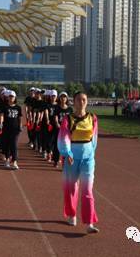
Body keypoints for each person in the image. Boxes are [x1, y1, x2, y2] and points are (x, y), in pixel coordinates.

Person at [58, 91, 99, 234]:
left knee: (87, 190)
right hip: (71, 157)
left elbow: (94, 138)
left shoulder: (93, 118)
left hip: (88, 157)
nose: (81, 102)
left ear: (87, 102)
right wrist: (67, 152)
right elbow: (63, 137)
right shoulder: (67, 119)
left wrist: (91, 153)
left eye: (84, 99)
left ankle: (89, 223)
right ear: (73, 102)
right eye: (78, 100)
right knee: (71, 188)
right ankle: (71, 214)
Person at [0, 90, 22, 170]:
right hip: (6, 128)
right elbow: (1, 115)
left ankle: (15, 161)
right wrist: (1, 122)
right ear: (8, 98)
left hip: (15, 129)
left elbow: (19, 118)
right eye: (10, 96)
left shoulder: (18, 107)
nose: (11, 98)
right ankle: (7, 160)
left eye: (12, 96)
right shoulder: (5, 107)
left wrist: (20, 125)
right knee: (7, 145)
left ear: (15, 97)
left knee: (14, 145)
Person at [53, 92, 72, 168]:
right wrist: (57, 123)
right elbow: (55, 117)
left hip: (67, 130)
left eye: (64, 97)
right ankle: (56, 160)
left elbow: (72, 119)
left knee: (66, 146)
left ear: (67, 98)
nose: (63, 98)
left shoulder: (70, 109)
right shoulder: (57, 108)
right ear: (59, 98)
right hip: (59, 129)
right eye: (61, 97)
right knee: (57, 145)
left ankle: (64, 162)